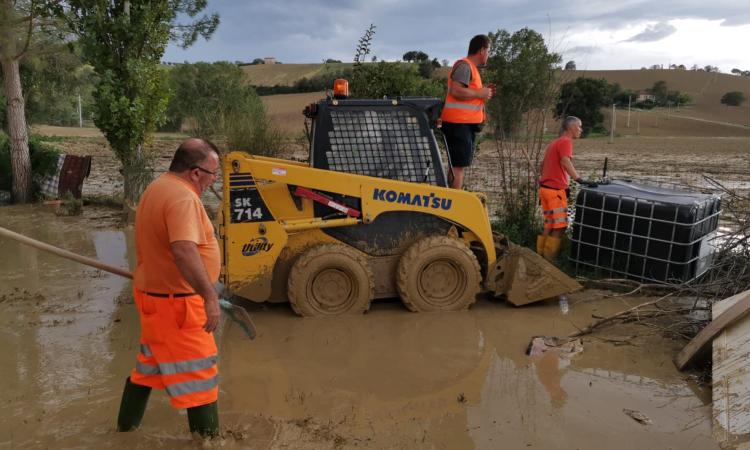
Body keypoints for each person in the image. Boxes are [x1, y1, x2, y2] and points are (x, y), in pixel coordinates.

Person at [117, 138, 222, 438]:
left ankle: (123, 433)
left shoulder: (157, 187)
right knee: (201, 377)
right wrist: (210, 296)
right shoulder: (183, 198)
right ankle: (209, 442)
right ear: (195, 172)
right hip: (179, 307)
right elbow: (184, 250)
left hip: (155, 303)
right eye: (213, 175)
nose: (212, 181)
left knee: (147, 370)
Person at [440, 34, 496, 189]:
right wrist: (480, 93)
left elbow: (467, 95)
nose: (488, 55)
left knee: (457, 167)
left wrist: (483, 93)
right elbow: (456, 90)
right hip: (458, 125)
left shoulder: (470, 68)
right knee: (457, 167)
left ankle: (452, 202)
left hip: (461, 125)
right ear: (482, 50)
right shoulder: (465, 66)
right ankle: (453, 205)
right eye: (489, 51)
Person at [537, 116, 596, 261]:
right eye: (579, 126)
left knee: (549, 224)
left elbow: (542, 166)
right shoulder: (565, 142)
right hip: (555, 192)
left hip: (545, 190)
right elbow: (565, 161)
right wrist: (579, 179)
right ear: (571, 127)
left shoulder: (554, 143)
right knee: (560, 226)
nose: (581, 130)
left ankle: (538, 257)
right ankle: (549, 260)